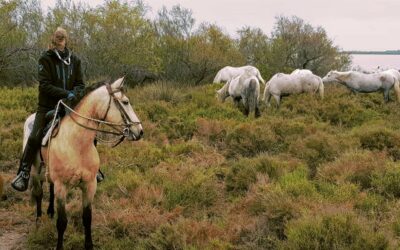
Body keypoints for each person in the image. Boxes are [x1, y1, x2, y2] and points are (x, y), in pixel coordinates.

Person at [11, 27, 104, 192]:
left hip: (70, 106)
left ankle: (94, 169)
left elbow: (80, 83)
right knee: (34, 137)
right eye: (58, 41)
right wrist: (66, 93)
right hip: (47, 106)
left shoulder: (75, 60)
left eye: (62, 40)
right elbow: (45, 85)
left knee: (90, 134)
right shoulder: (45, 59)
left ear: (66, 40)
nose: (60, 43)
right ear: (54, 41)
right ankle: (24, 173)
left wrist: (75, 94)